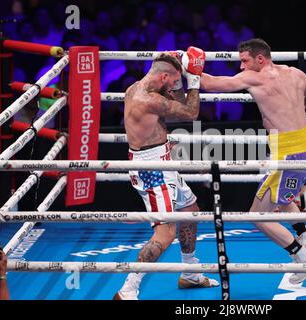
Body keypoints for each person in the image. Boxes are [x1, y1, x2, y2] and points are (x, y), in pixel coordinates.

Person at [200, 38, 306, 284]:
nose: (241, 67)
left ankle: (303, 258)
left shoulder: (256, 78)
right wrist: (296, 104)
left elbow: (213, 84)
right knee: (281, 195)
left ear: (260, 59)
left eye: (244, 61)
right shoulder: (295, 73)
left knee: (257, 216)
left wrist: (189, 65)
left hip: (287, 155)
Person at [114, 50, 218, 300]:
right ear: (162, 77)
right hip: (152, 171)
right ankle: (128, 289)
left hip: (163, 162)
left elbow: (180, 103)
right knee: (165, 233)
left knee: (190, 210)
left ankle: (190, 272)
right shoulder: (148, 99)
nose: (175, 85)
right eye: (173, 81)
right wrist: (194, 78)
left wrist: (182, 73)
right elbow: (191, 113)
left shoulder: (139, 88)